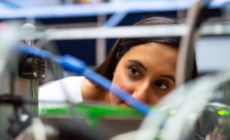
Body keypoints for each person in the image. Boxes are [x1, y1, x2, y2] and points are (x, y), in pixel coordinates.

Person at [39, 16, 197, 109]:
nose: (139, 97)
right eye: (134, 72)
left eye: (161, 84)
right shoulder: (52, 102)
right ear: (116, 63)